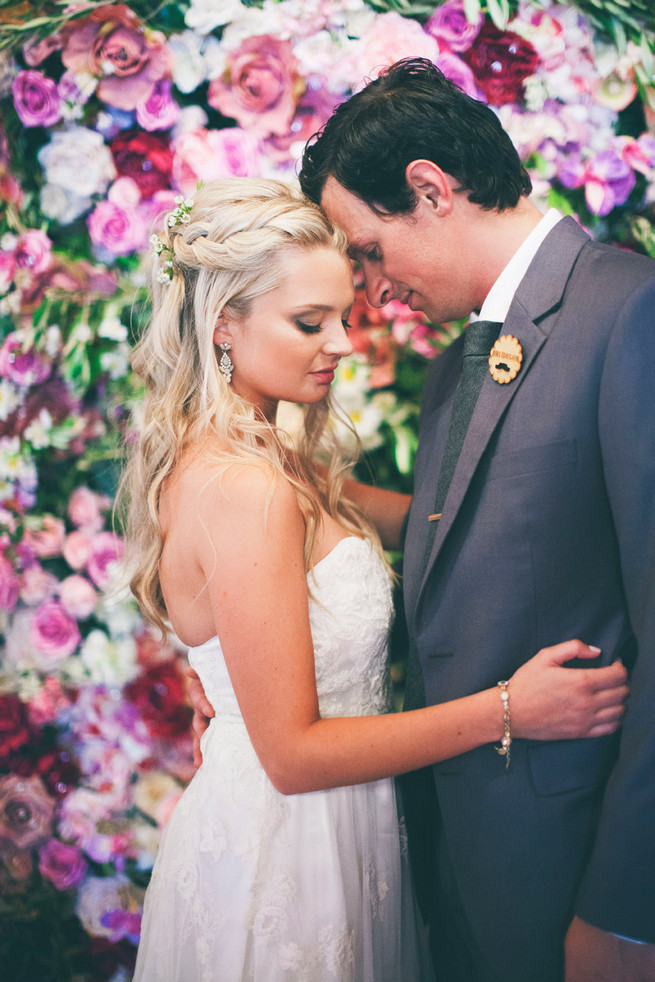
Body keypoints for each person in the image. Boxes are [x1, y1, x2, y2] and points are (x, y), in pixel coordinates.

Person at [123, 178, 627, 982]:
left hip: (344, 830)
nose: (341, 345)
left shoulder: (277, 463)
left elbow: (443, 517)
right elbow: (290, 754)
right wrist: (508, 710)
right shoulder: (243, 487)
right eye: (308, 322)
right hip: (286, 851)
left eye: (344, 319)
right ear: (224, 324)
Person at [294, 58, 655, 982]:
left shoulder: (629, 312)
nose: (370, 292)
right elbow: (483, 541)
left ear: (429, 189)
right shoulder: (461, 362)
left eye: (368, 250)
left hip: (578, 866)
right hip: (458, 859)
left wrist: (626, 911)